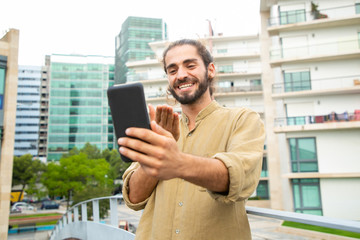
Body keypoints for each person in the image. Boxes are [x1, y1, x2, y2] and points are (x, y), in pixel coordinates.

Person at [119, 39, 265, 239]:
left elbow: (239, 177)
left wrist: (177, 163)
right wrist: (155, 155)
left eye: (190, 65)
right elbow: (133, 197)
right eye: (172, 70)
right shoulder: (159, 129)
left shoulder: (242, 119)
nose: (181, 75)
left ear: (210, 70)